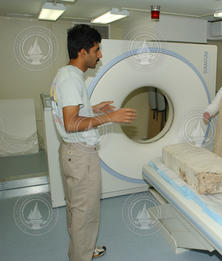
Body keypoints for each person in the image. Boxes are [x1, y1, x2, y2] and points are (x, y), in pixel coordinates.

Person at [50, 24, 136, 261]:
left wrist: (93, 109)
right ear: (82, 52)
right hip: (79, 155)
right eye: (96, 50)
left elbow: (74, 112)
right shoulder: (71, 80)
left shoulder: (67, 74)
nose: (99, 55)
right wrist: (110, 117)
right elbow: (71, 123)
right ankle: (81, 256)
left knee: (76, 208)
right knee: (85, 212)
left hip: (71, 152)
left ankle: (84, 250)